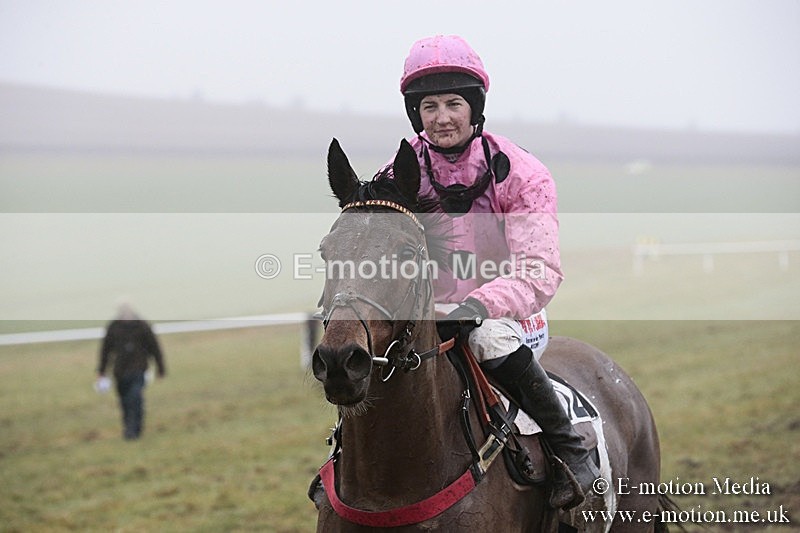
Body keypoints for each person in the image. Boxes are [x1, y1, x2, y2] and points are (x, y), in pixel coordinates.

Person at [398, 34, 598, 509]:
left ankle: (571, 449)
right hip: (432, 315)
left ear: (474, 107)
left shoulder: (522, 173)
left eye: (453, 103)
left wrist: (478, 305)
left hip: (508, 318)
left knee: (486, 339)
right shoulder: (400, 170)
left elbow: (539, 270)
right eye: (429, 106)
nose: (442, 117)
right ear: (415, 114)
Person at [96, 303, 165, 440]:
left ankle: (135, 430)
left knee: (136, 397)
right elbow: (105, 350)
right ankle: (128, 428)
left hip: (139, 369)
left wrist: (160, 368)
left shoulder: (142, 326)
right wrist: (102, 371)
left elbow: (154, 347)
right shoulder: (114, 328)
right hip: (120, 371)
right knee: (125, 402)